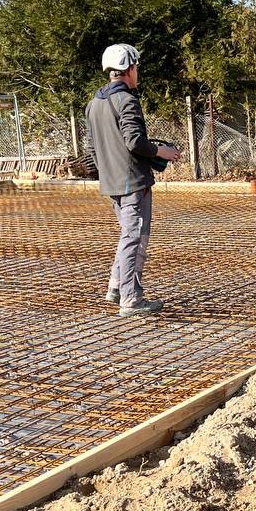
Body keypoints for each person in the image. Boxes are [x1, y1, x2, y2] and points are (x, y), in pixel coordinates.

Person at [85, 43, 181, 317]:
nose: (137, 72)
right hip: (132, 182)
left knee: (128, 234)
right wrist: (161, 152)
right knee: (134, 237)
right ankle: (131, 298)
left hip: (113, 182)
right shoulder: (126, 101)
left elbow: (92, 149)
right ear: (128, 68)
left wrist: (108, 173)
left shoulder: (93, 104)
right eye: (136, 66)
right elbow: (134, 142)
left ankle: (117, 286)